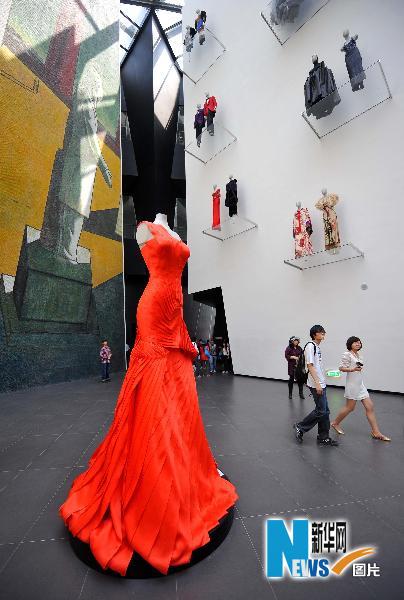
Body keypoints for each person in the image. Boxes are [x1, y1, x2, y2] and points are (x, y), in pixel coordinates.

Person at [331, 337, 391, 441]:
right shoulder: (347, 354)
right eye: (355, 342)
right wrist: (352, 369)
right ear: (350, 344)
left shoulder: (359, 355)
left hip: (360, 384)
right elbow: (341, 368)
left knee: (370, 406)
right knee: (350, 408)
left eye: (359, 342)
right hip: (352, 385)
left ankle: (376, 432)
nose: (358, 344)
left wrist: (356, 369)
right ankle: (335, 423)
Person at [293, 325, 338, 446]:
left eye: (324, 331)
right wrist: (318, 383)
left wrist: (322, 382)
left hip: (321, 382)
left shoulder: (317, 347)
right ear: (314, 334)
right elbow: (310, 366)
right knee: (321, 410)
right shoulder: (310, 346)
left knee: (325, 411)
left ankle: (323, 437)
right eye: (320, 331)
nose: (323, 333)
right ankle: (300, 427)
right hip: (315, 384)